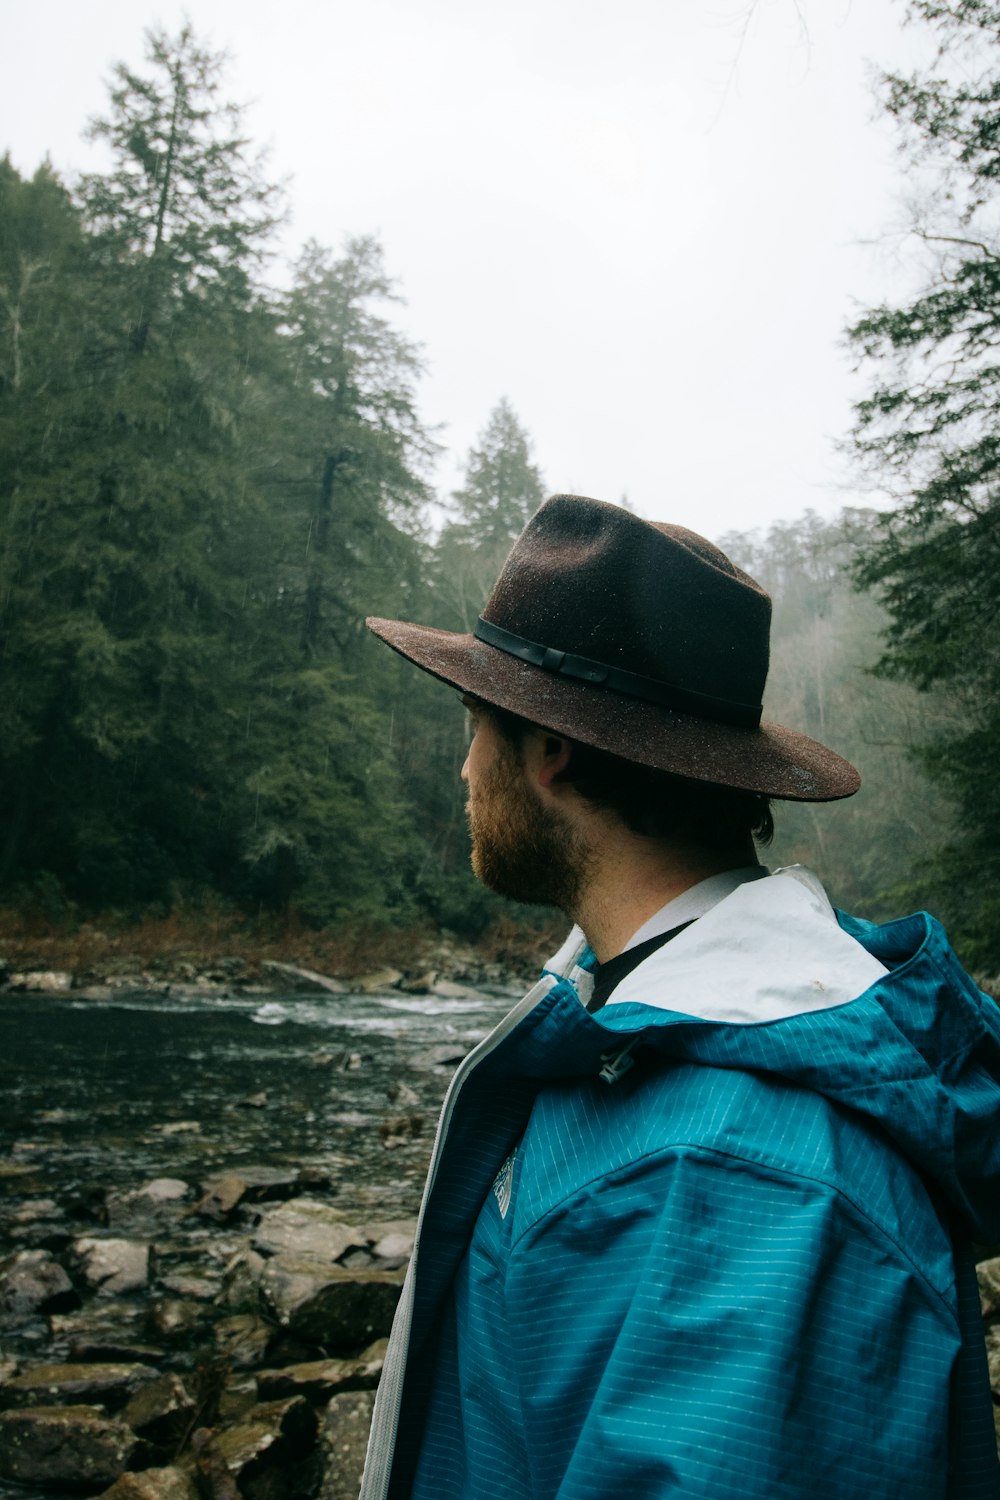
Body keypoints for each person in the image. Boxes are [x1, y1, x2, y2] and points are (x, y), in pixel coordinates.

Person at [361, 494, 1000, 1500]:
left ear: (549, 752)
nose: (462, 767)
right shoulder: (627, 1036)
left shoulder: (747, 1174)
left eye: (474, 726)